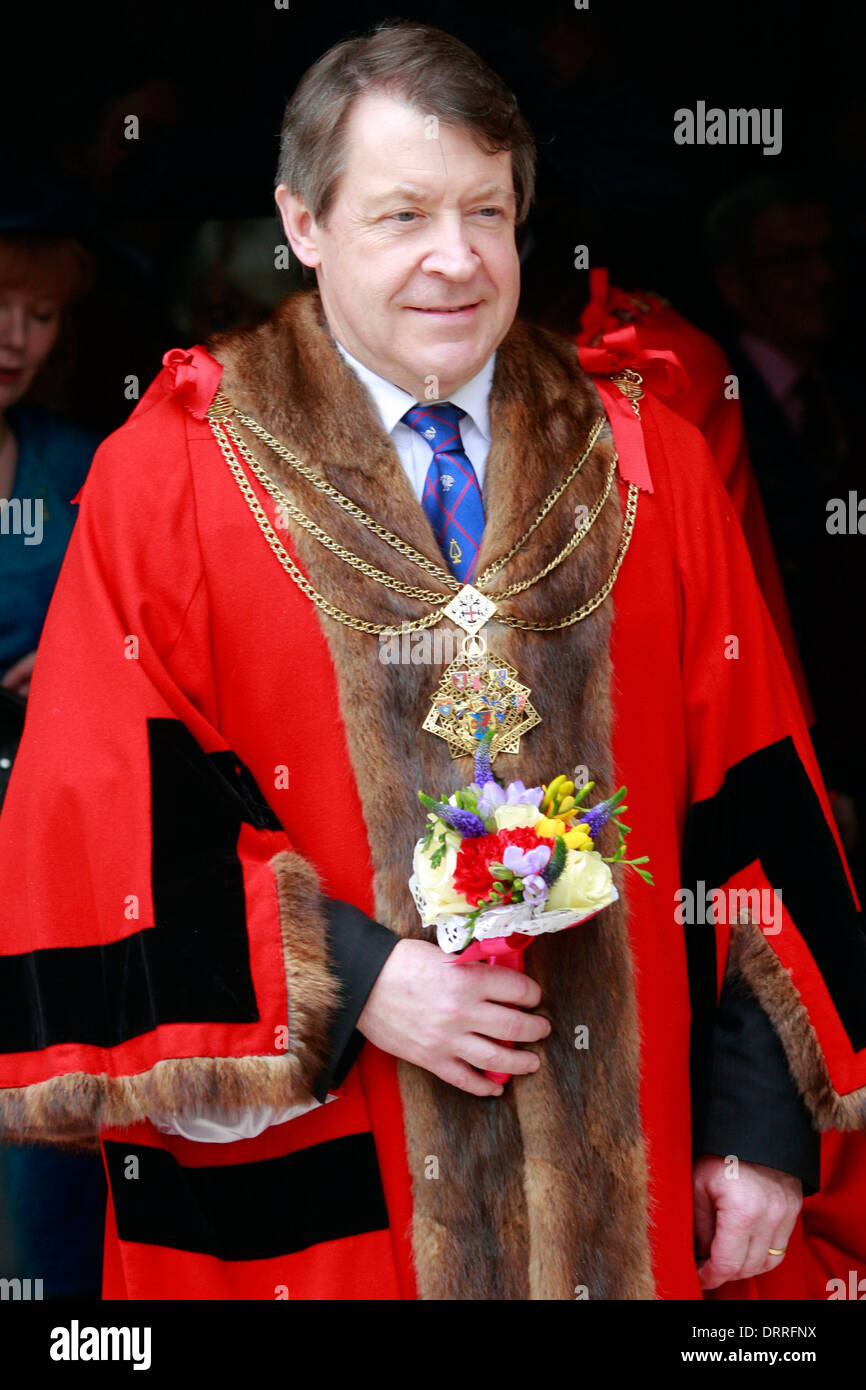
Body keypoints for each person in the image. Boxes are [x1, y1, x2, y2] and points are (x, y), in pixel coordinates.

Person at [0, 21, 863, 1302]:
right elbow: (104, 822)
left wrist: (758, 1127)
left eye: (486, 212)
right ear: (302, 222)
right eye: (402, 214)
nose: (454, 260)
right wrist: (352, 981)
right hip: (333, 1191)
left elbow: (749, 810)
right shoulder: (169, 474)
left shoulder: (645, 462)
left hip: (621, 1193)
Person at [0, 221, 106, 1298]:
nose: (14, 337)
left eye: (39, 313)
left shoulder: (80, 464)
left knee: (49, 1173)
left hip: (46, 872)